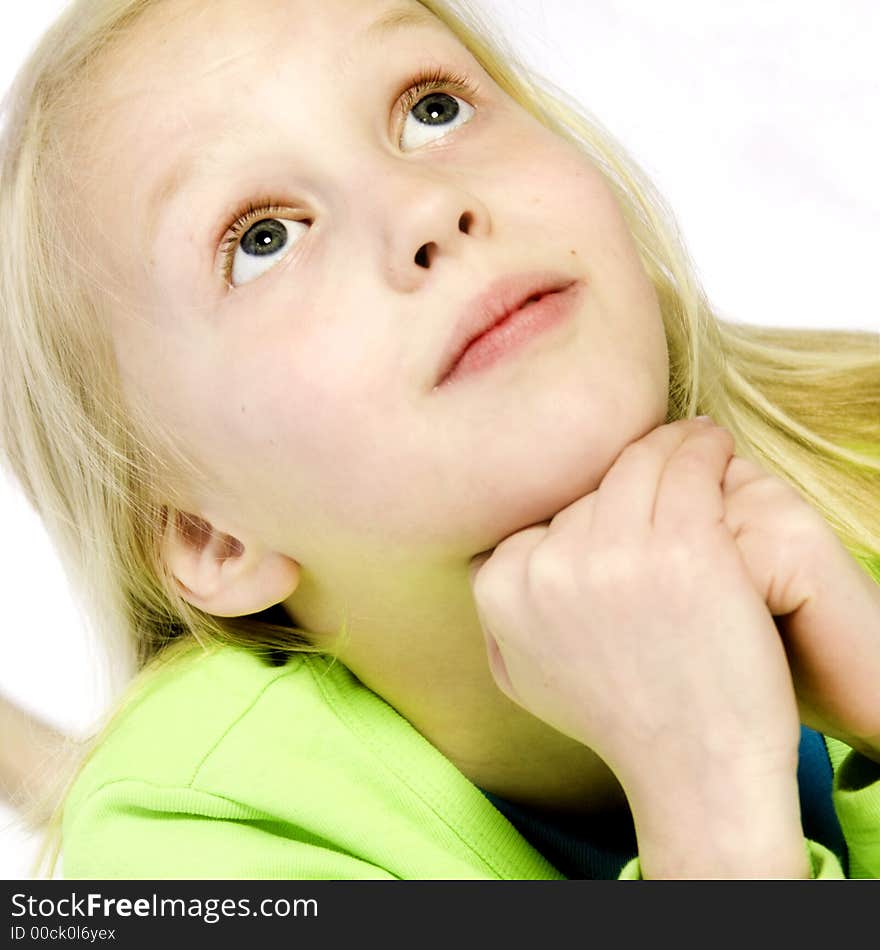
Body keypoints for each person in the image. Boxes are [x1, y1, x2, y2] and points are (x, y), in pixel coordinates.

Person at [0, 0, 878, 880]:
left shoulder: (861, 445)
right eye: (263, 240)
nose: (426, 205)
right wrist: (708, 796)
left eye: (432, 109)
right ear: (209, 535)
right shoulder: (185, 843)